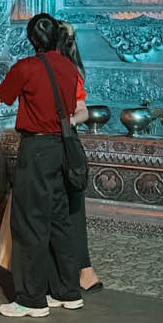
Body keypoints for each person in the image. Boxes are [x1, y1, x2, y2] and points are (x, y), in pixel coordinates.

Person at [0, 13, 87, 317]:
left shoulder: (25, 68)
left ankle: (31, 299)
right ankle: (67, 291)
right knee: (60, 220)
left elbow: (2, 97)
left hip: (36, 150)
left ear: (31, 39)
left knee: (30, 222)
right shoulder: (69, 68)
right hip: (63, 147)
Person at [56, 20, 102, 295]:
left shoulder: (66, 72)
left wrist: (66, 122)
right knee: (70, 208)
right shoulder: (69, 70)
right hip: (66, 141)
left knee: (69, 207)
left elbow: (82, 110)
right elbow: (83, 111)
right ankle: (82, 270)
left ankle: (82, 270)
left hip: (61, 143)